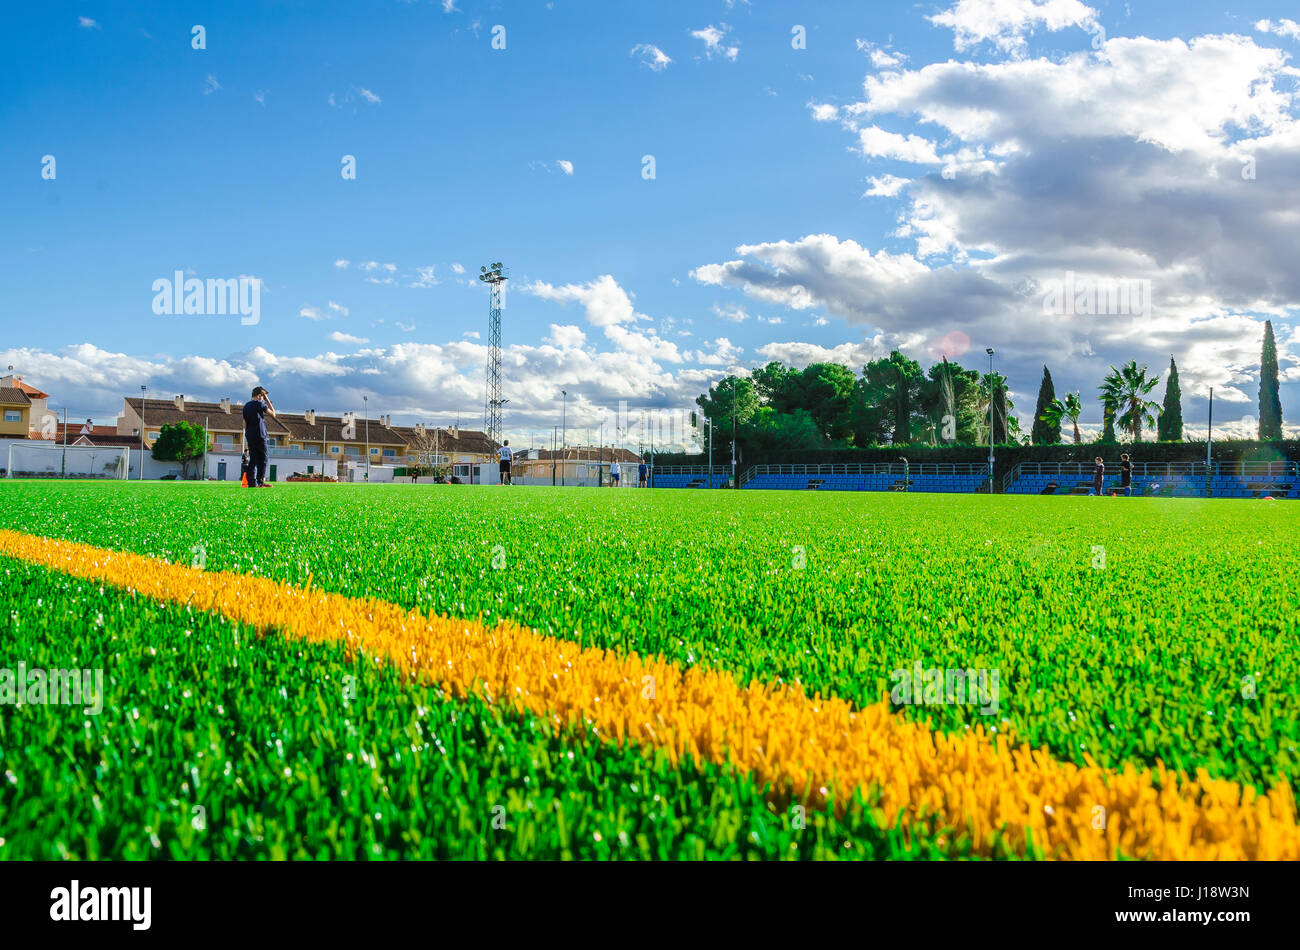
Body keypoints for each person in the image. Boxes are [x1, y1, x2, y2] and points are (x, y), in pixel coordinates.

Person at [242, 386, 276, 488]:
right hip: (260, 434)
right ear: (259, 396)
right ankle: (260, 482)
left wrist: (247, 434)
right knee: (263, 458)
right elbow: (273, 414)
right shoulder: (260, 403)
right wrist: (267, 400)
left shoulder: (246, 406)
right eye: (263, 396)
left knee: (253, 459)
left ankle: (252, 483)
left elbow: (244, 423)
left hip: (249, 434)